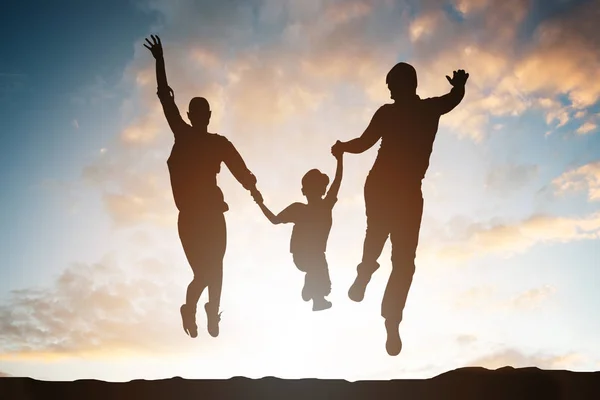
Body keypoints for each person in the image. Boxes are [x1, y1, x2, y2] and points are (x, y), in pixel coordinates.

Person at [332, 62, 469, 356]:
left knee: (402, 258)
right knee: (387, 245)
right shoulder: (415, 110)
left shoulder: (413, 110)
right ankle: (366, 272)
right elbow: (364, 142)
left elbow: (363, 143)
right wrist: (458, 87)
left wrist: (344, 146)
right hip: (387, 186)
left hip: (402, 189)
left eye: (392, 85)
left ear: (405, 84)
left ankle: (390, 319)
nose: (390, 90)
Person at [144, 35, 262, 339]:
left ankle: (212, 311)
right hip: (190, 216)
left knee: (217, 267)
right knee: (204, 272)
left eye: (203, 114)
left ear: (208, 116)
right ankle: (190, 307)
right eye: (195, 113)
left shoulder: (218, 143)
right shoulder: (182, 135)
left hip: (212, 213)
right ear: (191, 116)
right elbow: (165, 98)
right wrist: (159, 62)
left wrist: (253, 188)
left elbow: (239, 168)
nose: (199, 117)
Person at [253, 150, 344, 311]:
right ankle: (311, 287)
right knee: (318, 274)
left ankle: (315, 296)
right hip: (304, 256)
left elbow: (337, 181)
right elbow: (274, 220)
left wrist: (340, 158)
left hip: (315, 256)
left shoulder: (321, 206)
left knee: (326, 289)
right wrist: (259, 203)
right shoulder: (306, 208)